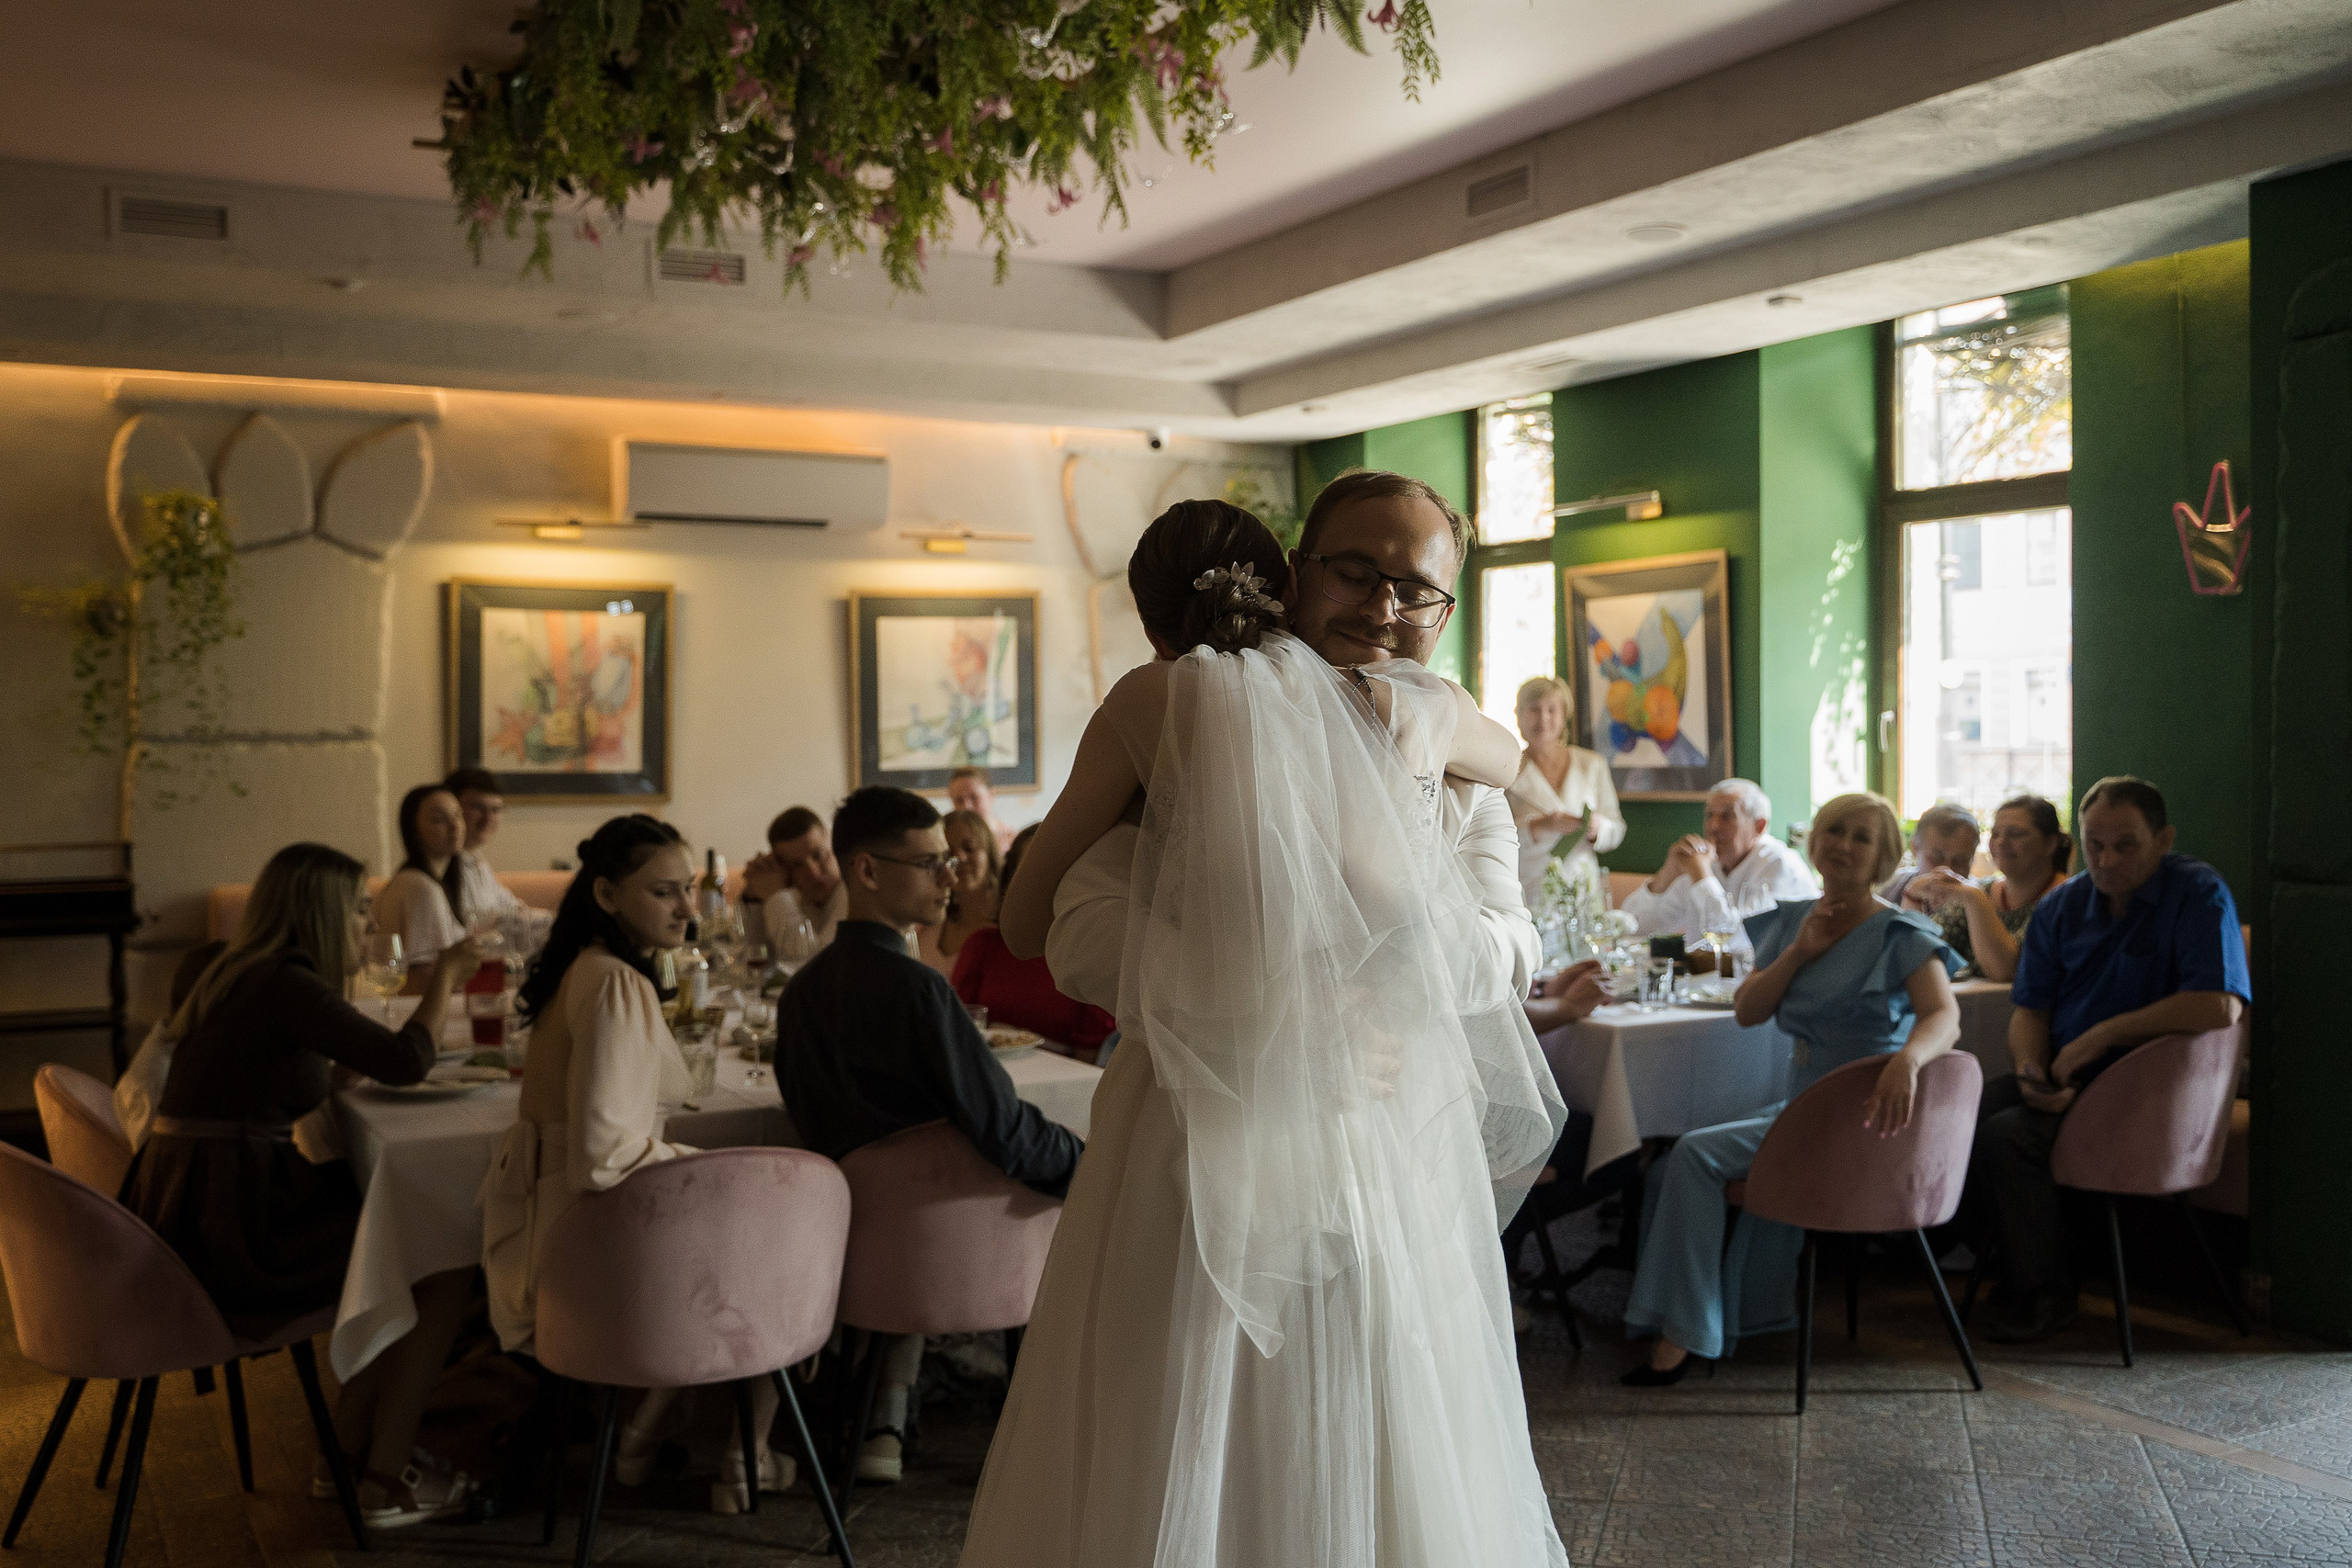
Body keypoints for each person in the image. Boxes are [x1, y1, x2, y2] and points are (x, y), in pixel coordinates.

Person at [961, 492, 1568, 1568]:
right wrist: (1278, 1008)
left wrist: (1397, 972)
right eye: (1354, 572)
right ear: (1290, 572)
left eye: (1418, 587)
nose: (1385, 607)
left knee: (1387, 1437)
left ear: (1448, 606)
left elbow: (1506, 946)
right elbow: (1078, 926)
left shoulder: (1450, 754)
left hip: (1389, 1162)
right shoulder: (1188, 730)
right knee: (1174, 1433)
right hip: (1194, 1148)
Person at [119, 842, 486, 1528]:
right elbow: (406, 1062)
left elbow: (275, 1076)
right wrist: (446, 978)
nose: (366, 930)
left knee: (399, 1235)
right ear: (319, 915)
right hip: (236, 1234)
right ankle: (385, 1477)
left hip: (191, 1211)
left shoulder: (236, 971)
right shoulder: (287, 983)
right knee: (439, 1254)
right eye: (357, 913)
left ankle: (344, 1457)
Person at [478, 816, 785, 1513]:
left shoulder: (586, 967)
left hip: (560, 1233)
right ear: (609, 896)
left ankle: (652, 1433)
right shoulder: (616, 984)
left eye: (691, 890)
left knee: (755, 1234)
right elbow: (604, 1154)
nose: (686, 908)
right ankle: (739, 1455)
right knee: (786, 1251)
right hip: (587, 1253)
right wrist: (712, 1166)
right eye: (664, 892)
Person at [779, 786, 1083, 1486]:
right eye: (929, 864)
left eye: (951, 862)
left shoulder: (802, 994)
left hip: (848, 1248)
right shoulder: (919, 991)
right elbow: (1005, 1133)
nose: (950, 879)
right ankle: (1079, 1413)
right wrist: (1090, 1164)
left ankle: (886, 1405)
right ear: (868, 871)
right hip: (960, 1247)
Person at [1621, 792, 1961, 1385]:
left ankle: (1685, 1332)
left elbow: (1944, 1016)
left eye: (1861, 836)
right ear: (1815, 841)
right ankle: (1711, 1314)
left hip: (1864, 1110)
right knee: (1667, 1165)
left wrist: (1908, 1059)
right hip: (1802, 1105)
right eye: (1834, 831)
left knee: (1693, 1155)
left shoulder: (1899, 930)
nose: (1843, 844)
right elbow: (1750, 1009)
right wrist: (1801, 950)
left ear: (1883, 854)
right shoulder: (1794, 919)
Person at [1968, 776, 2249, 1343]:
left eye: (2126, 845)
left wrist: (2101, 1037)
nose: (2107, 858)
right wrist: (2029, 1071)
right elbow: (2030, 1009)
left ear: (2163, 839)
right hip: (2069, 1072)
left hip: (2158, 1088)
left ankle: (2047, 1294)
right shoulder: (2064, 904)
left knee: (2010, 1139)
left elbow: (2219, 1006)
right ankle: (2016, 1271)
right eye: (2095, 844)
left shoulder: (2198, 893)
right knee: (1959, 1118)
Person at [952, 826, 1116, 1057]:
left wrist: (1023, 1041)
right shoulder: (983, 945)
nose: (1046, 882)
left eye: (1059, 869)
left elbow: (1093, 1057)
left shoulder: (1092, 952)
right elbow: (956, 1027)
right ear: (1012, 882)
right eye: (1032, 872)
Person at [1621, 777, 1818, 960]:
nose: (1713, 826)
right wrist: (1667, 874)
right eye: (1709, 816)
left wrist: (1701, 876)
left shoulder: (1780, 865)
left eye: (1727, 816)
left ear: (1759, 826)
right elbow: (1632, 928)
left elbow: (1738, 938)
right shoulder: (1705, 860)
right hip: (1705, 984)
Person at [1906, 794, 2070, 981]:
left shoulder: (2067, 900)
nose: (2001, 842)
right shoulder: (1983, 889)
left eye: (2015, 834)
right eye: (1996, 834)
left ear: (2050, 843)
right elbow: (1922, 952)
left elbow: (2006, 970)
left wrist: (1975, 900)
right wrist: (1912, 896)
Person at [1504, 673, 1625, 909]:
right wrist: (1538, 826)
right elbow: (1493, 835)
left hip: (1583, 888)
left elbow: (1617, 827)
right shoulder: (1504, 769)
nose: (1543, 718)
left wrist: (1598, 828)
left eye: (1552, 710)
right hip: (1529, 888)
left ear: (1563, 717)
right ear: (1518, 716)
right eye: (1534, 710)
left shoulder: (1592, 764)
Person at [374, 784, 468, 968]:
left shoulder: (417, 880)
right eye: (439, 819)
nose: (455, 826)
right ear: (414, 830)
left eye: (458, 815)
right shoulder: (421, 888)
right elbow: (425, 971)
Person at [741, 806, 848, 961]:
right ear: (783, 870)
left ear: (834, 844)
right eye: (797, 865)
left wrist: (775, 897)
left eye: (818, 855)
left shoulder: (856, 891)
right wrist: (753, 898)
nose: (813, 872)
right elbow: (753, 959)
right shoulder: (795, 894)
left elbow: (818, 963)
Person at [918, 807, 1002, 978]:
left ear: (989, 852)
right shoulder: (925, 928)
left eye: (969, 848)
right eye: (948, 853)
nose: (960, 858)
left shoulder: (1009, 926)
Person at [443, 765, 527, 924]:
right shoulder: (442, 868)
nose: (488, 818)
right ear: (452, 809)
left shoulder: (477, 862)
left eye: (495, 810)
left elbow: (514, 910)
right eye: (478, 807)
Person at [1883, 801, 1983, 909]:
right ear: (1915, 848)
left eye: (1960, 861)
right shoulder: (1889, 888)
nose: (1947, 870)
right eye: (1937, 858)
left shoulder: (1982, 901)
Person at [948, 765, 1019, 854]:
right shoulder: (947, 841)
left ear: (991, 795)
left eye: (974, 797)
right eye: (959, 800)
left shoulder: (1012, 841)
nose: (966, 806)